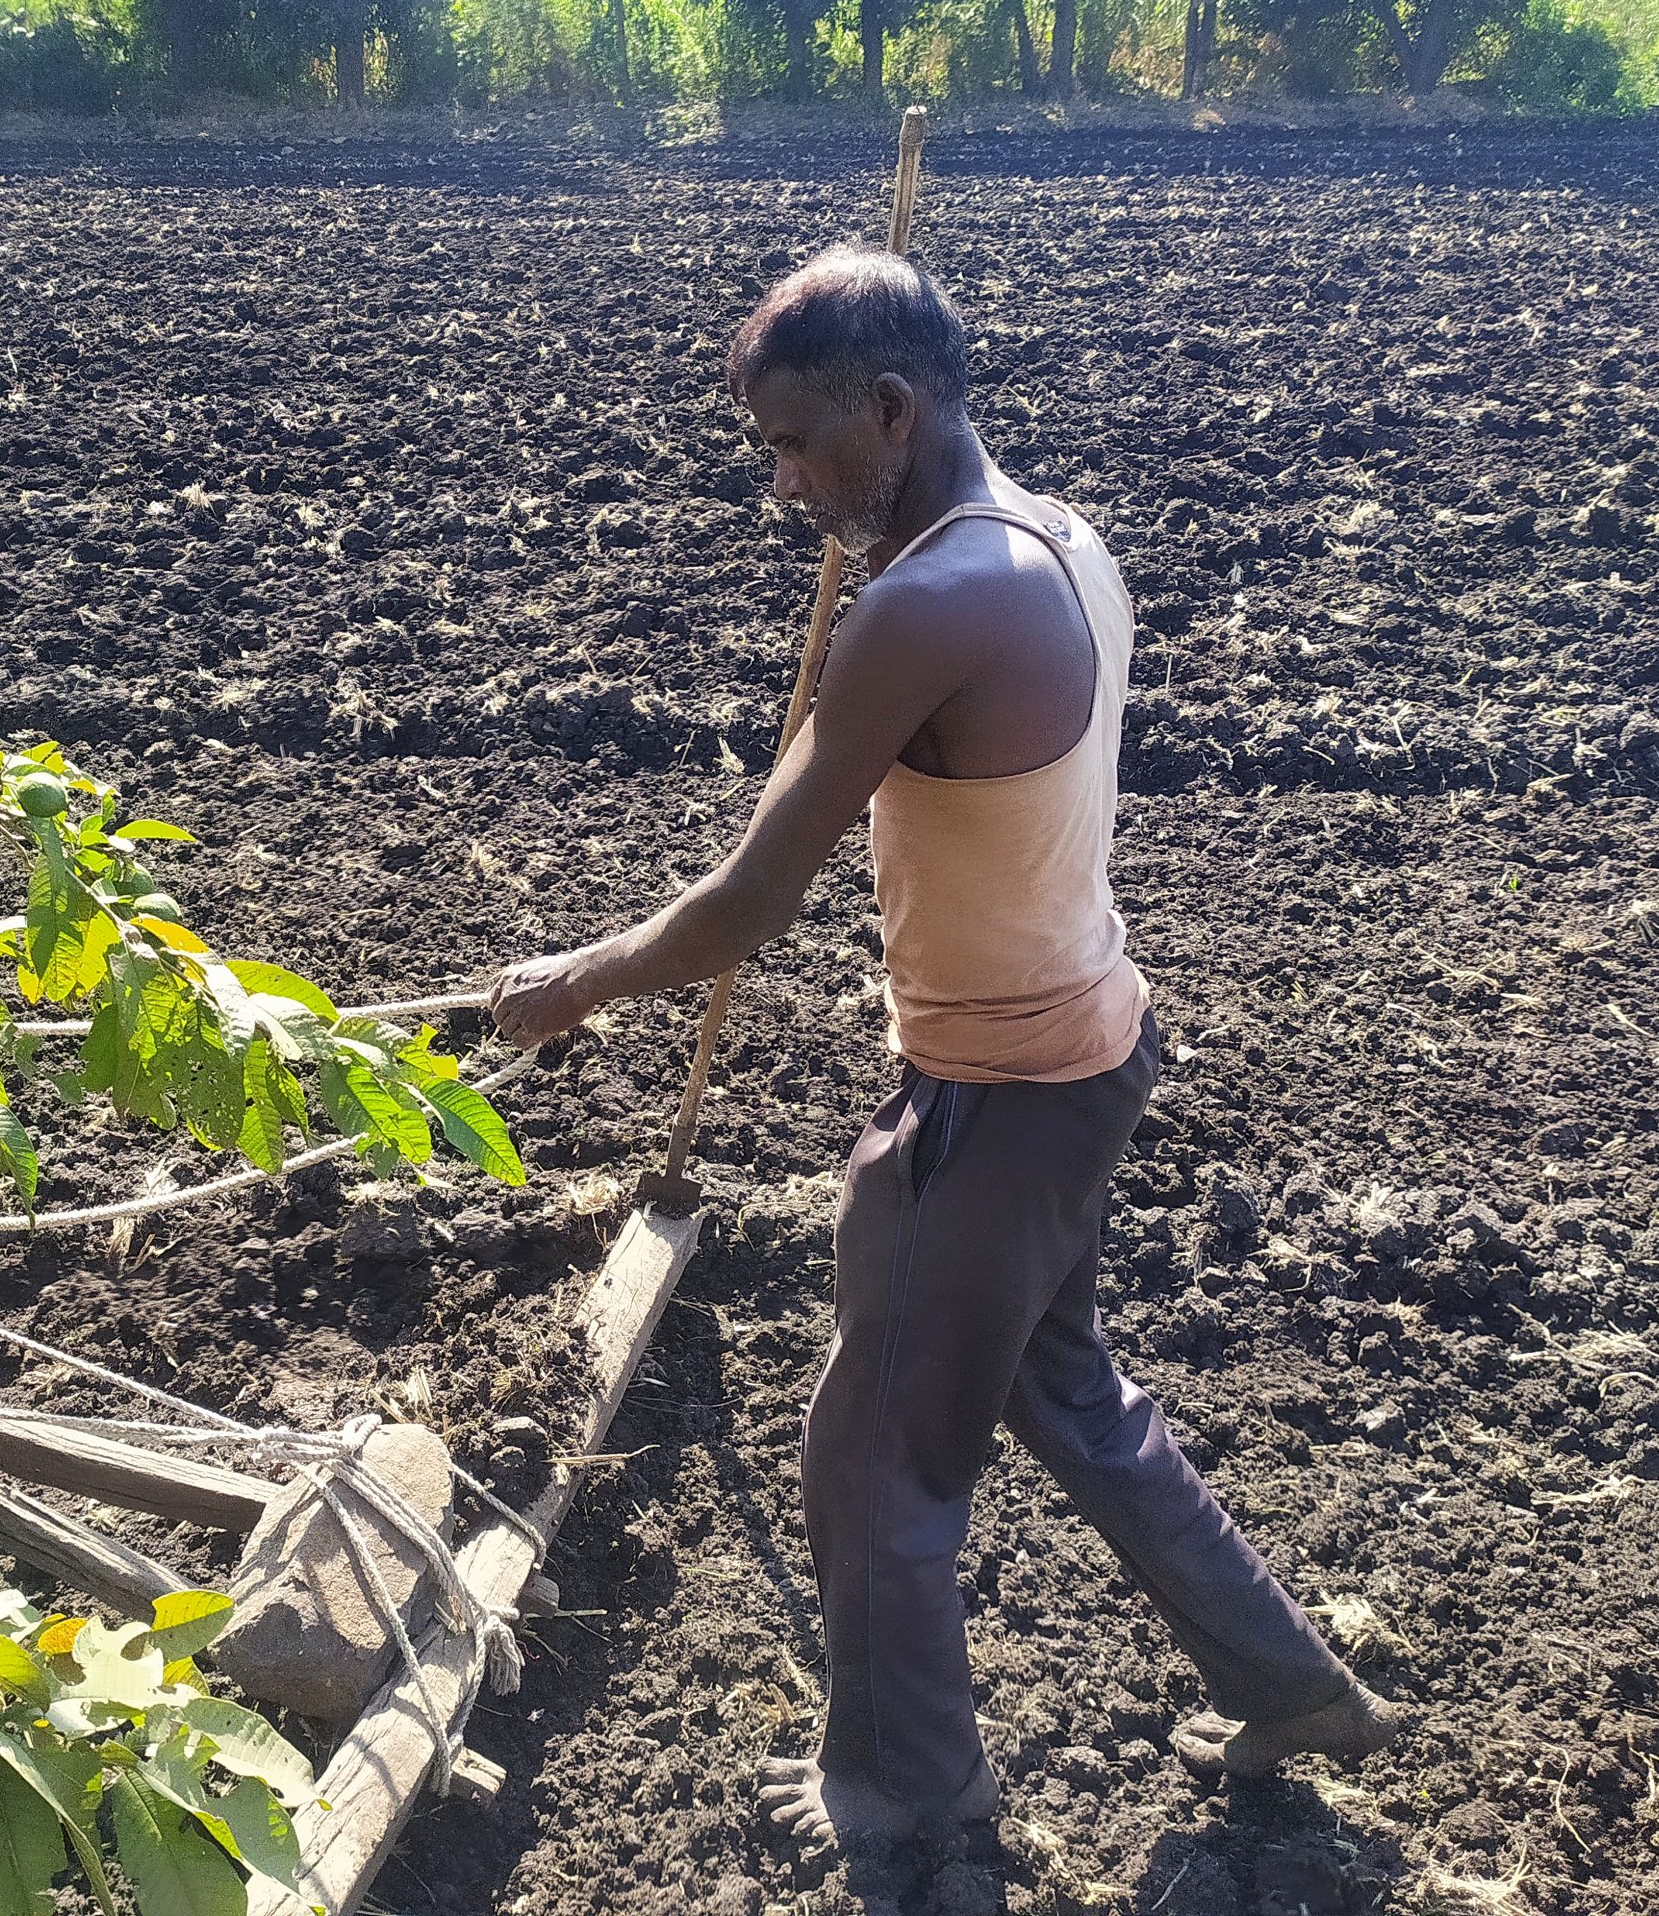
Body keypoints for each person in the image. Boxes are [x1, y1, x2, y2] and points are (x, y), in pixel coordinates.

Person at [487, 245, 1403, 1856]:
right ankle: (1292, 1684)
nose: (779, 488)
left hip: (994, 1100)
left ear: (891, 411)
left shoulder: (919, 609)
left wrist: (576, 982)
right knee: (1067, 1390)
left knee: (871, 1461)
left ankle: (908, 1792)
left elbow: (747, 902)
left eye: (793, 444)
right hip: (1089, 1047)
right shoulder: (1053, 539)